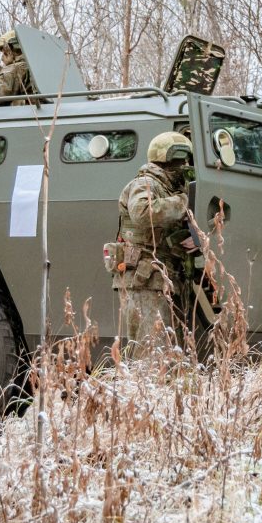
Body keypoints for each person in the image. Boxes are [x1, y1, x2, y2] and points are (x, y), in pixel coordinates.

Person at [111, 131, 193, 357]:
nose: (185, 166)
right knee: (149, 355)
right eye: (182, 160)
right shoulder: (146, 183)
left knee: (166, 353)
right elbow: (142, 212)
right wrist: (182, 203)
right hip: (145, 279)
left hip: (160, 278)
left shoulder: (167, 188)